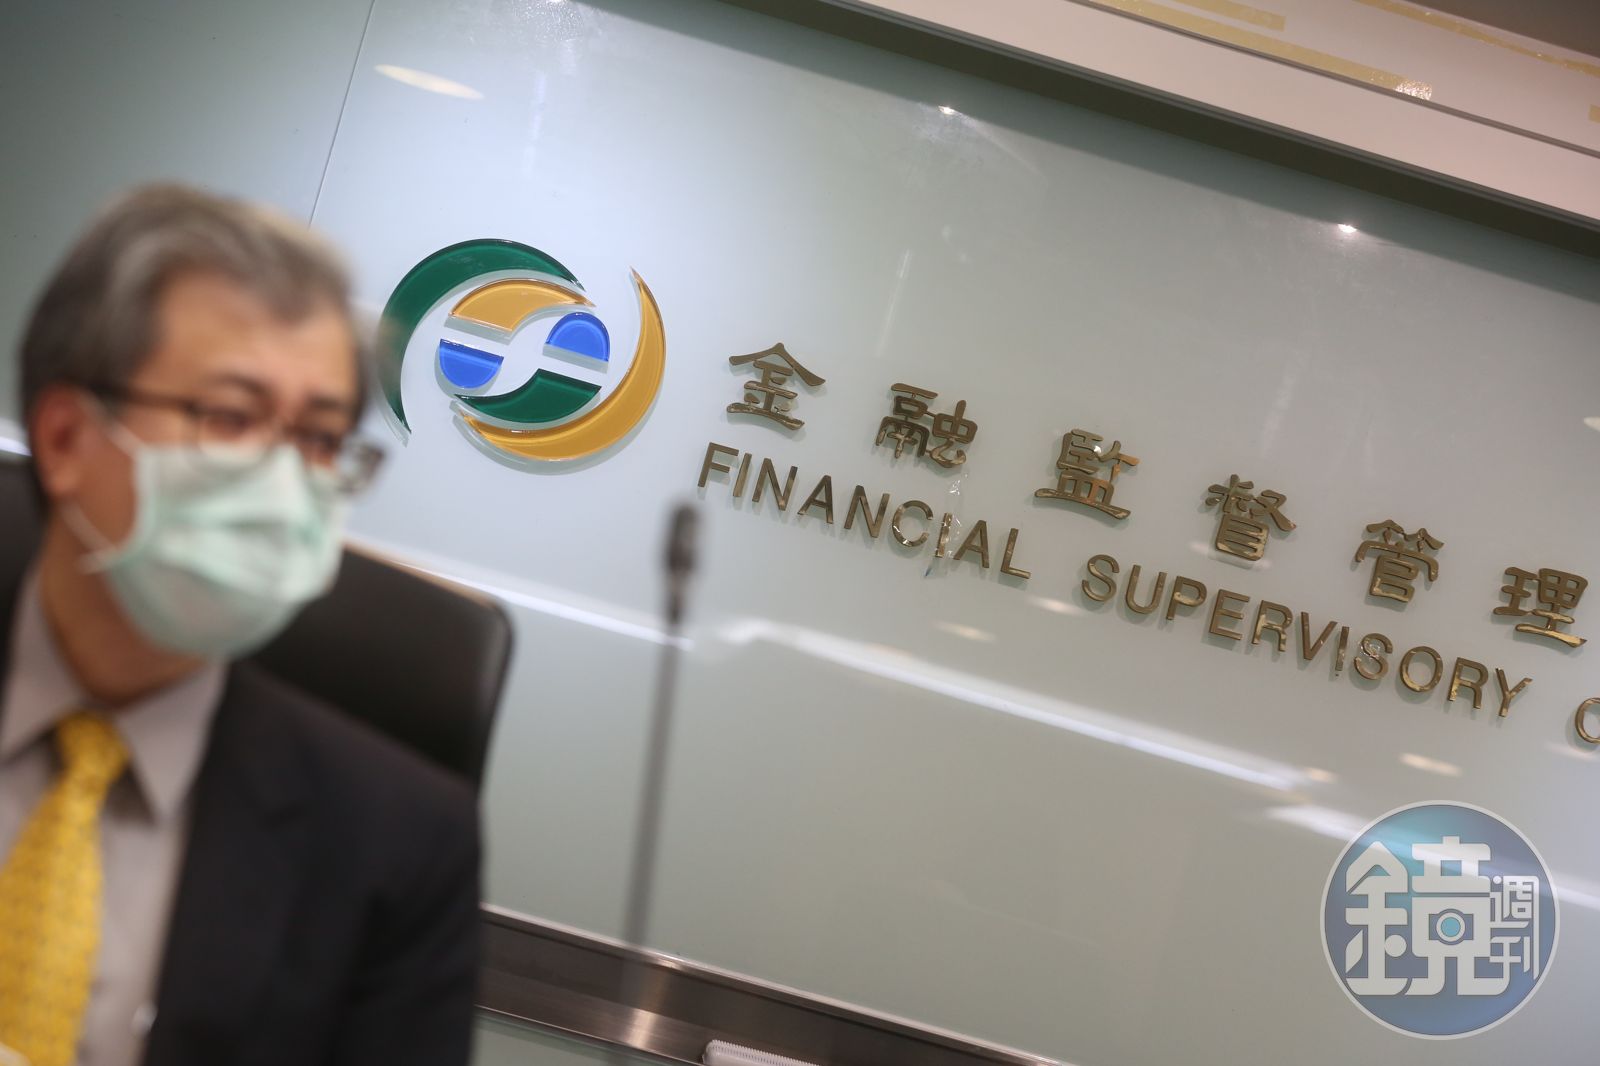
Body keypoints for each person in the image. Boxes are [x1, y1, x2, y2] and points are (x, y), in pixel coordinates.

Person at [0, 185, 480, 1066]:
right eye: (229, 417)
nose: (283, 483)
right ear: (65, 438)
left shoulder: (400, 848)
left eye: (320, 439)